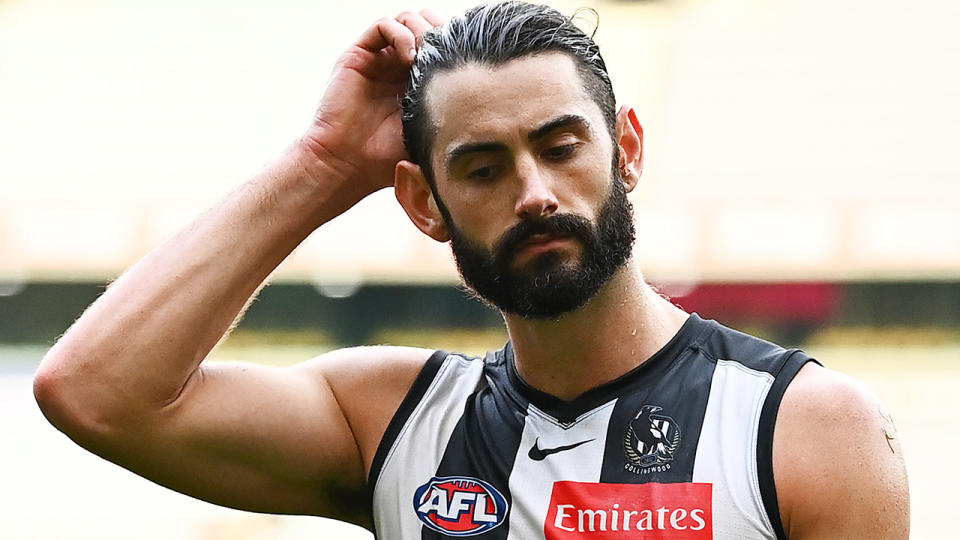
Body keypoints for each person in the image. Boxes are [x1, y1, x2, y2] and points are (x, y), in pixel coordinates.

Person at [34, 1, 908, 538]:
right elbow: (95, 390)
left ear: (626, 149)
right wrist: (324, 163)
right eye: (482, 168)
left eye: (561, 147)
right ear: (424, 203)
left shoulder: (806, 427)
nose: (533, 192)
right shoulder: (387, 424)